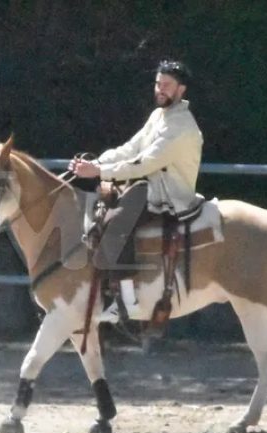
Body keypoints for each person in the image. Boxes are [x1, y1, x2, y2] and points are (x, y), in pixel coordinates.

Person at [70, 59, 204, 323]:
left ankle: (127, 301)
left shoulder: (181, 126)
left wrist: (98, 172)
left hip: (170, 195)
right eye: (158, 84)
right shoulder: (159, 117)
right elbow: (131, 149)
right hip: (152, 185)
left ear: (181, 90)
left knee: (116, 219)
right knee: (105, 204)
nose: (160, 89)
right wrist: (96, 164)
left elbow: (145, 163)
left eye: (167, 85)